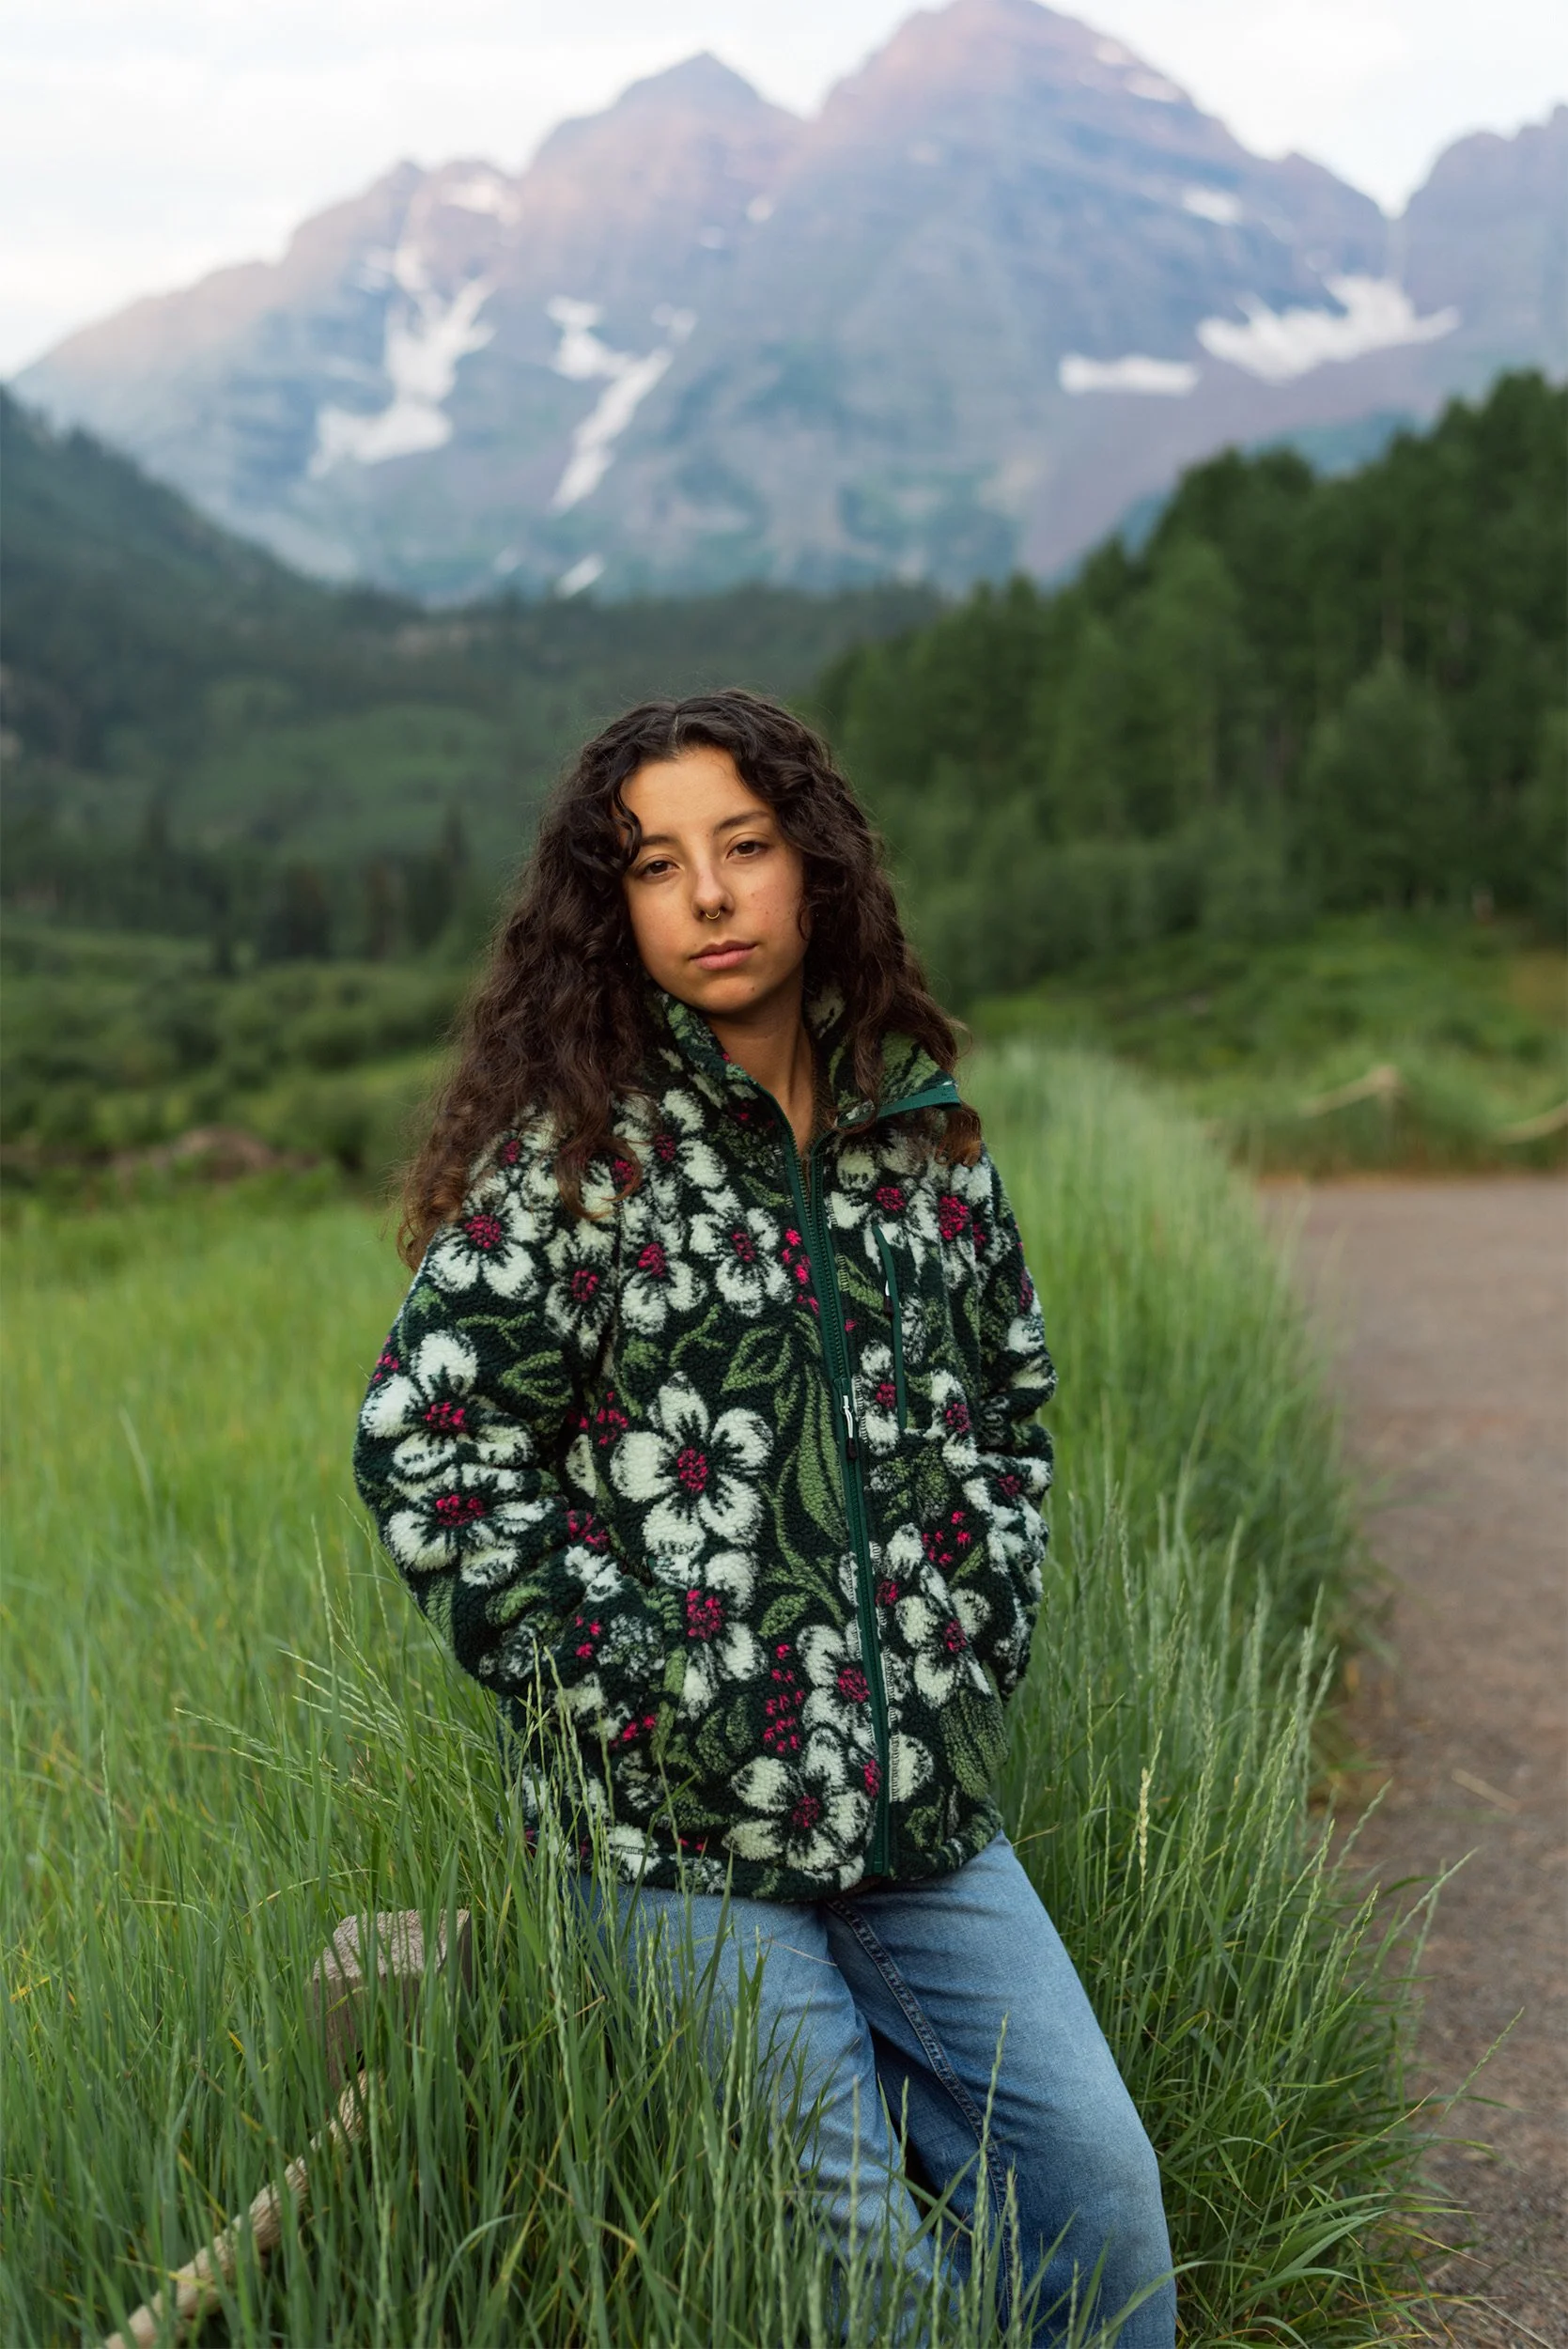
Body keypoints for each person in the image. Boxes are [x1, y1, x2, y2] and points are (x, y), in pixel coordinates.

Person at [352, 690, 1176, 2344]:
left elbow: (1010, 1401)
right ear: (616, 910)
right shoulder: (580, 1166)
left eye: (744, 846)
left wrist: (973, 1627)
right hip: (672, 1843)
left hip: (918, 1817)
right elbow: (427, 1448)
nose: (713, 895)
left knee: (1105, 2211)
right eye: (659, 866)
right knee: (867, 2272)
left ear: (815, 866)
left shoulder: (922, 1140)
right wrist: (641, 1694)